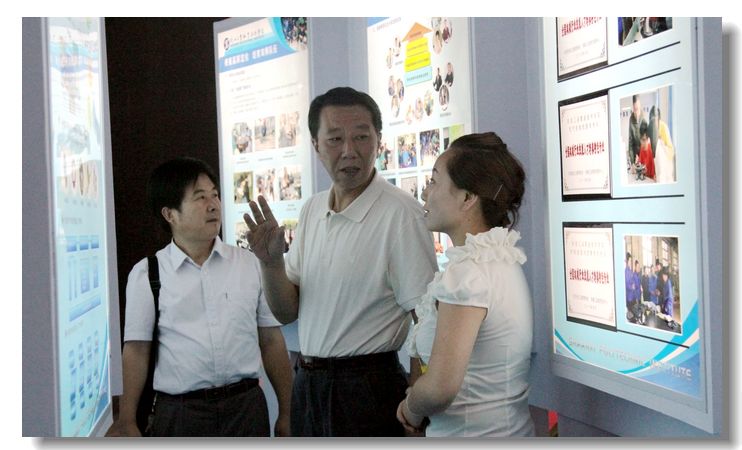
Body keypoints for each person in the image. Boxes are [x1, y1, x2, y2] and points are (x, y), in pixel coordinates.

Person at [243, 87, 437, 436]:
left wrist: (417, 405)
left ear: (379, 140)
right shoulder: (312, 209)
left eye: (361, 136)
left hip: (368, 389)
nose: (349, 150)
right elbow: (287, 312)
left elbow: (426, 319)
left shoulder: (401, 213)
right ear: (316, 145)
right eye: (334, 139)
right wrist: (271, 264)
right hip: (309, 384)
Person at [107, 157, 293, 437]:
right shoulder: (148, 273)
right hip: (180, 414)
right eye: (200, 197)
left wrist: (287, 412)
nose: (213, 204)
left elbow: (271, 340)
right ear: (170, 214)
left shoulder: (249, 263)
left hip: (245, 408)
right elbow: (136, 350)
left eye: (215, 195)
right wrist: (127, 419)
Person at [396, 132, 535, 437]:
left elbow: (440, 389)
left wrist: (410, 408)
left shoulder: (468, 274)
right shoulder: (500, 258)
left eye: (434, 181)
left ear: (468, 198)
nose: (425, 192)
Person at [627, 95, 647, 171]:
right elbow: (630, 142)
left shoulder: (644, 118)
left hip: (644, 152)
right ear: (633, 107)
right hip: (636, 153)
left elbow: (646, 140)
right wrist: (632, 163)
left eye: (638, 109)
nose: (636, 112)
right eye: (635, 109)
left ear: (640, 105)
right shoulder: (631, 119)